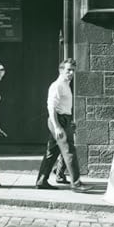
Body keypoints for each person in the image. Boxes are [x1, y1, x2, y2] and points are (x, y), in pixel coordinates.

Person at [35, 58, 92, 192]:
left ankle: (41, 181)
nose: (71, 72)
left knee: (52, 152)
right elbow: (51, 107)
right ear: (61, 70)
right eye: (68, 70)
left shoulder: (66, 84)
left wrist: (69, 120)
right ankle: (76, 184)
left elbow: (65, 106)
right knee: (69, 150)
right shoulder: (57, 85)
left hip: (64, 119)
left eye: (73, 70)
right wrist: (57, 126)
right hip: (58, 120)